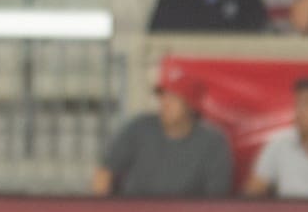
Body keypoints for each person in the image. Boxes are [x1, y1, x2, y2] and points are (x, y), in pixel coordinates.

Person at [92, 74, 235, 197]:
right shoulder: (138, 128)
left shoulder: (213, 143)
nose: (164, 103)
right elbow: (104, 173)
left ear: (191, 106)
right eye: (163, 96)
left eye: (173, 98)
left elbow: (216, 199)